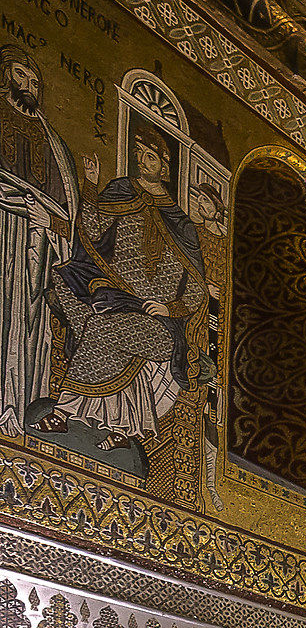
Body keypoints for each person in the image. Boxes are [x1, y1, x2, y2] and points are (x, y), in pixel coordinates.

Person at [44, 122, 205, 452]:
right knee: (84, 307)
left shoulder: (182, 224)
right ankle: (126, 427)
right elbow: (90, 231)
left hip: (159, 323)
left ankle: (65, 411)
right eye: (139, 156)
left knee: (102, 328)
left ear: (165, 165)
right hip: (113, 297)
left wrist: (169, 309)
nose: (143, 162)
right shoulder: (120, 191)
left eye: (151, 157)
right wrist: (90, 185)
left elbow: (197, 290)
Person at [0, 45, 73, 436]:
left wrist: (50, 220)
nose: (29, 85)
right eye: (20, 75)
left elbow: (68, 210)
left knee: (29, 322)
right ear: (5, 76)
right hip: (2, 231)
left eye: (34, 80)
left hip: (35, 243)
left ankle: (20, 403)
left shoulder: (51, 140)